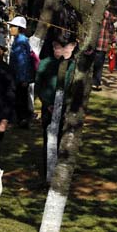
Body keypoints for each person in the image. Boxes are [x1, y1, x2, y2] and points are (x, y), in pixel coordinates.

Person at [36, 32, 76, 177]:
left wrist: (67, 105)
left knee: (64, 138)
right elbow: (39, 86)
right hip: (49, 108)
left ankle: (61, 169)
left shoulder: (73, 66)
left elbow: (75, 89)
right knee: (49, 137)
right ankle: (47, 170)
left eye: (67, 47)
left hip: (66, 109)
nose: (63, 51)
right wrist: (47, 104)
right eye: (59, 47)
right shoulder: (45, 63)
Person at [7, 17, 36, 127]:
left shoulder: (21, 41)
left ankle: (23, 120)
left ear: (19, 28)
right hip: (17, 76)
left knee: (21, 99)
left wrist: (23, 79)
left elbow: (23, 62)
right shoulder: (18, 40)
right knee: (20, 98)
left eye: (13, 26)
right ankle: (20, 119)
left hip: (20, 77)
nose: (10, 28)